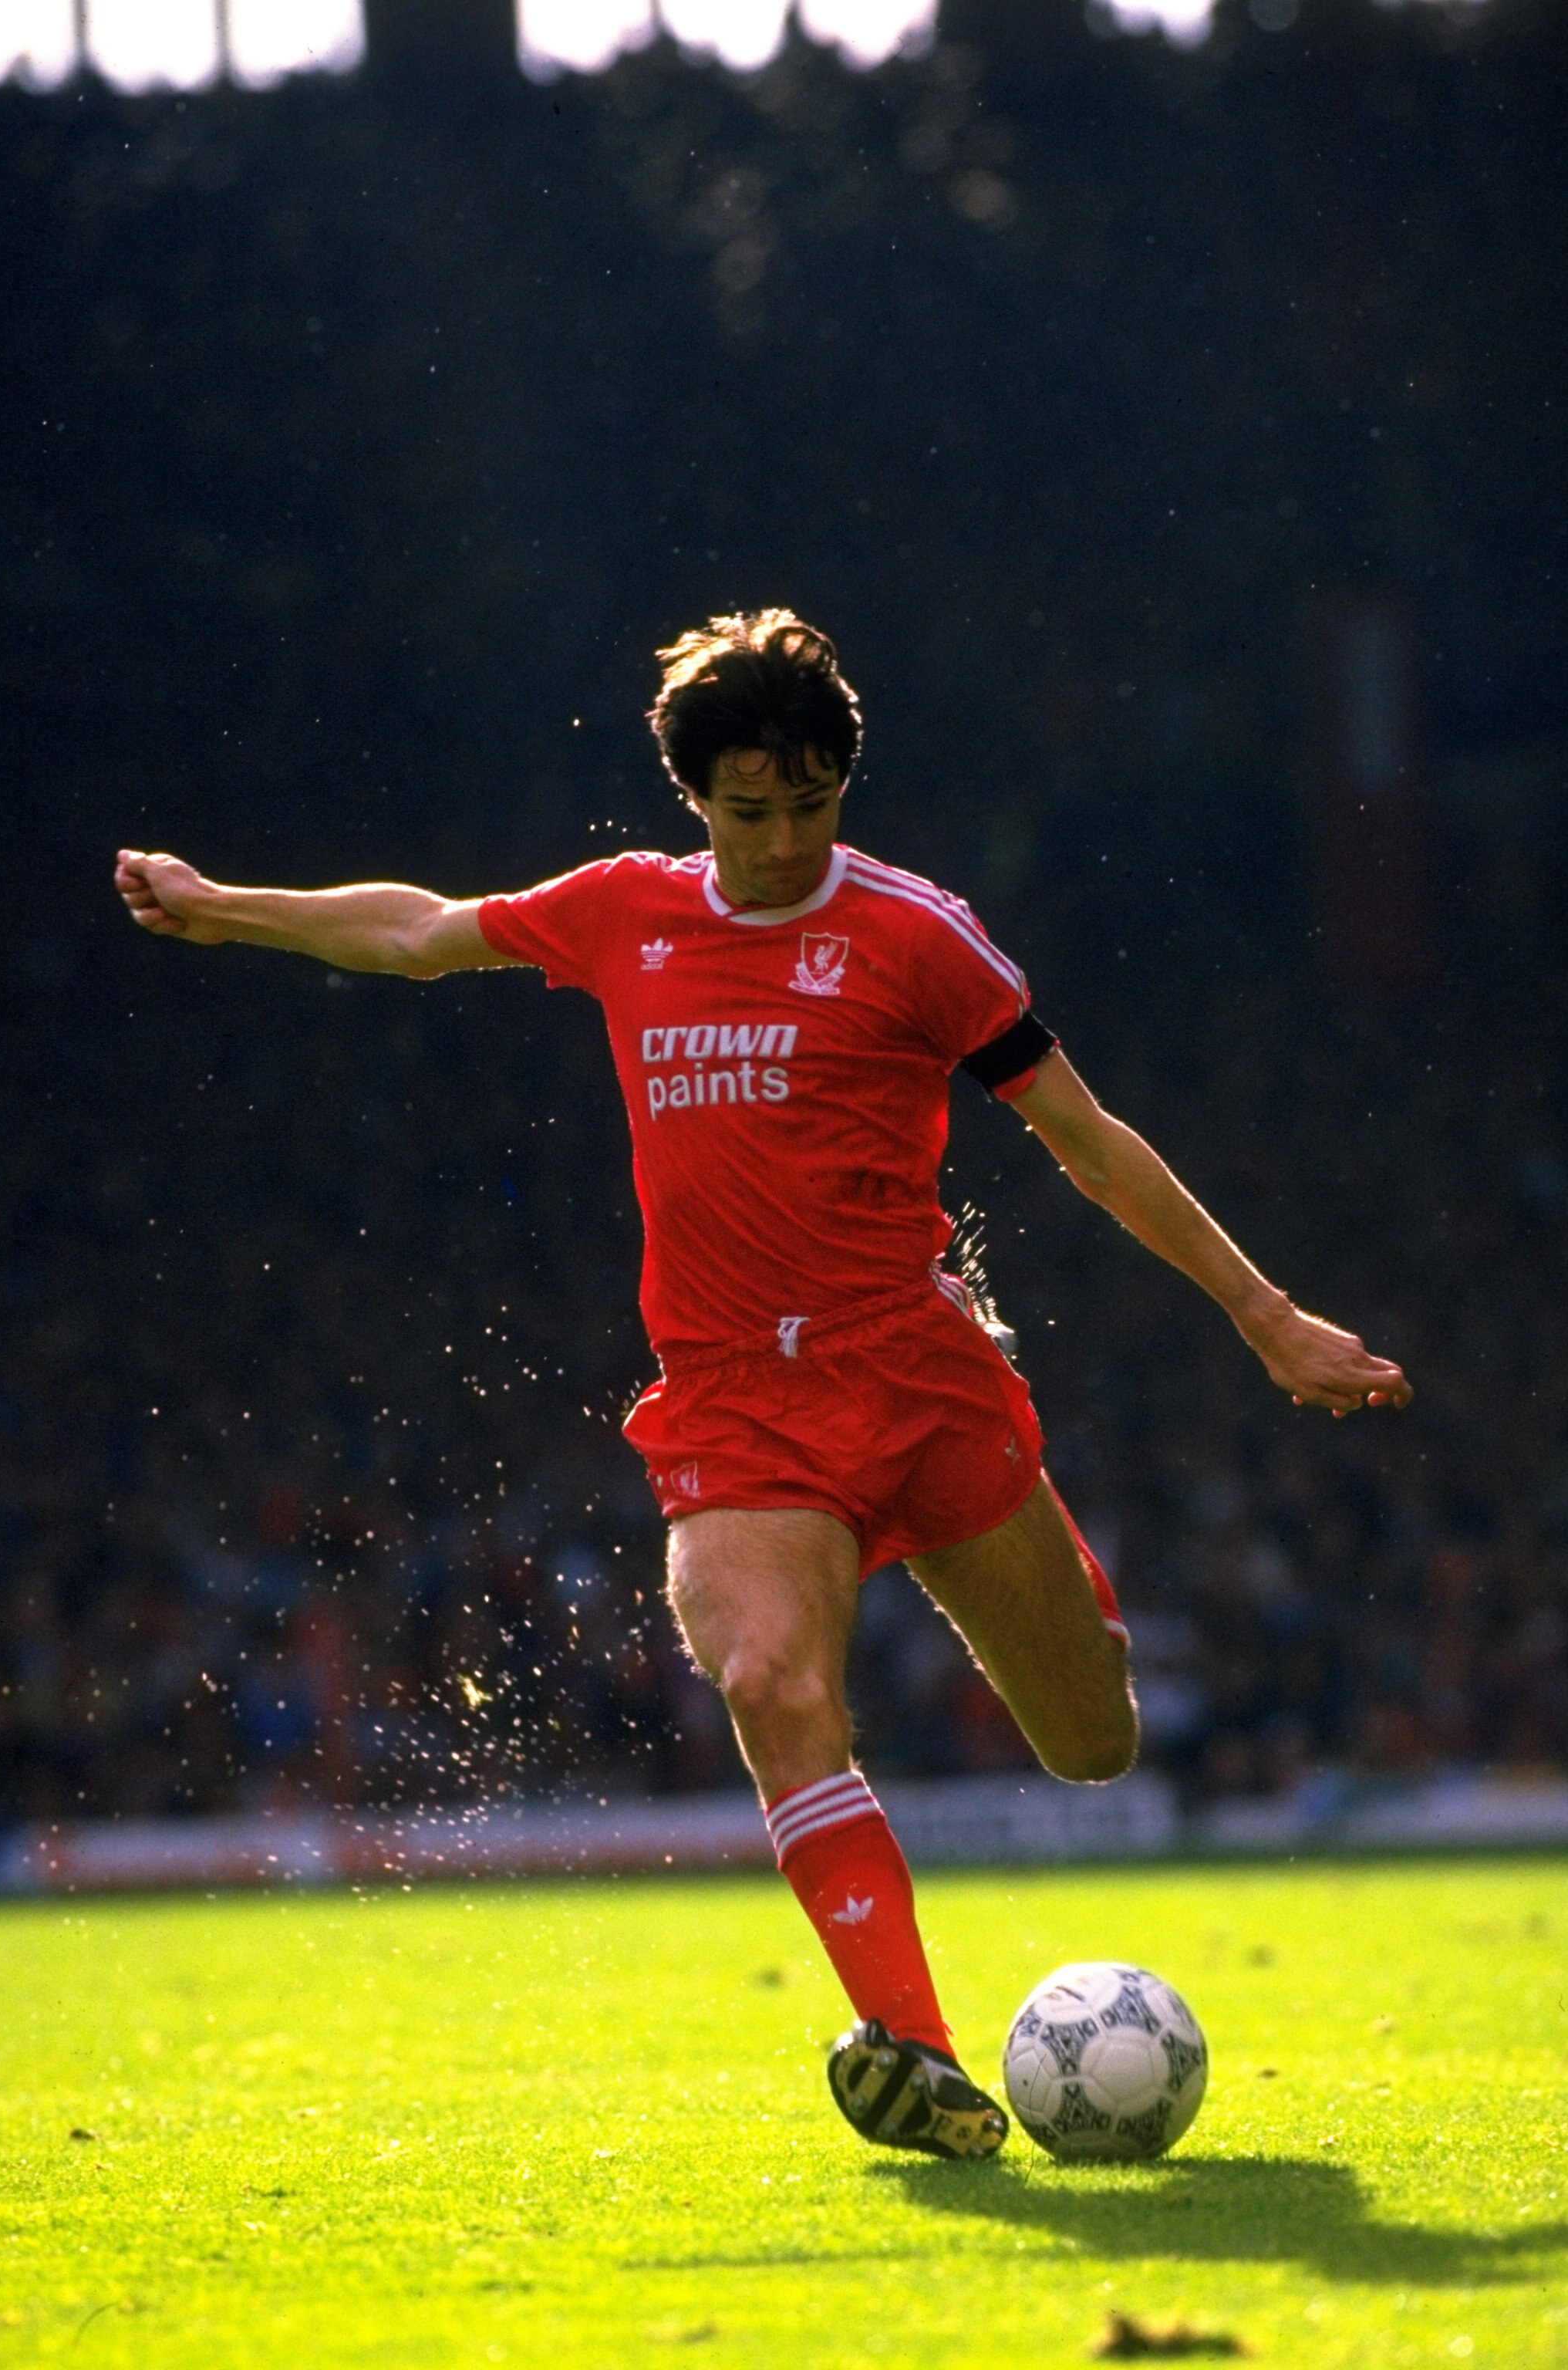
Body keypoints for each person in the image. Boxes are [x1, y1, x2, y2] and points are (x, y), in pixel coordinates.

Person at [114, 609, 1411, 2159]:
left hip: (919, 1382)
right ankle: (916, 2051)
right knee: (772, 1684)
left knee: (1094, 1744)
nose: (787, 837)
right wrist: (223, 906)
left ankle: (1052, 1616)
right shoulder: (620, 917)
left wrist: (1266, 1318)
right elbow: (419, 928)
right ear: (694, 798)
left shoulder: (918, 936)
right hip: (734, 1403)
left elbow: (1086, 1137)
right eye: (751, 809)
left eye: (813, 803)